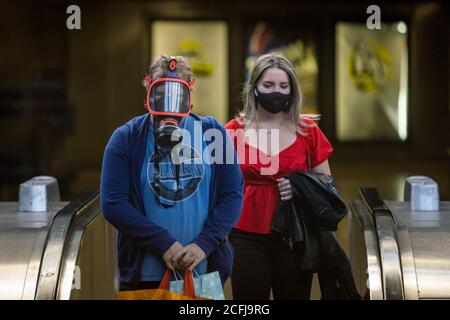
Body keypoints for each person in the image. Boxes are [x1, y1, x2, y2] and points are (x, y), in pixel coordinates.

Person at [100, 55, 243, 292]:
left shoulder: (212, 133)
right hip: (144, 277)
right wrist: (163, 244)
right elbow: (113, 203)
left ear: (190, 96)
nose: (168, 104)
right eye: (160, 93)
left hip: (202, 271)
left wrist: (203, 245)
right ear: (148, 94)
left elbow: (233, 195)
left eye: (177, 95)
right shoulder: (126, 138)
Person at [225, 52, 333, 300]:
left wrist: (300, 186)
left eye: (283, 86)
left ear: (292, 91)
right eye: (268, 85)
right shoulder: (232, 132)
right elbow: (215, 186)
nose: (276, 91)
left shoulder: (308, 131)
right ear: (254, 88)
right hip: (243, 234)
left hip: (294, 235)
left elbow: (327, 186)